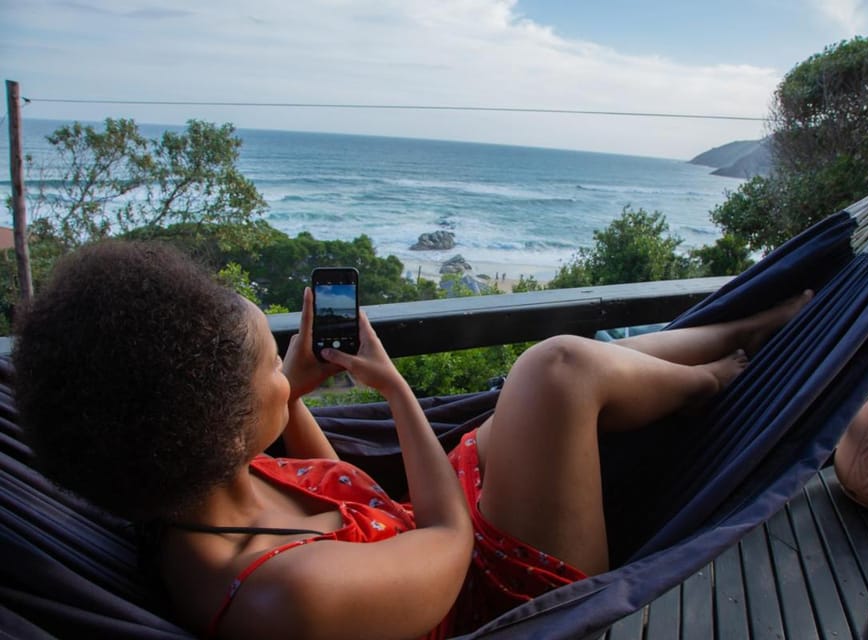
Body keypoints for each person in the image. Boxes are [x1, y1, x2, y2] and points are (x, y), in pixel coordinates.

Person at [13, 241, 811, 639]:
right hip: (501, 602)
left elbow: (338, 496)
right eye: (271, 367)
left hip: (422, 539)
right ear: (220, 423)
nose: (286, 377)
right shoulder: (282, 596)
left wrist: (296, 390)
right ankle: (723, 377)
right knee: (556, 370)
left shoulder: (191, 481)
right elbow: (450, 541)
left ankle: (737, 330)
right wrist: (394, 389)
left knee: (550, 383)